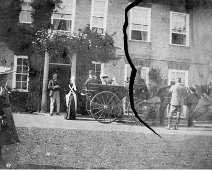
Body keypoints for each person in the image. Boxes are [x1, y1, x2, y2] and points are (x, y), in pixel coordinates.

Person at [0, 70, 19, 168]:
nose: (5, 79)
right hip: (2, 113)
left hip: (6, 112)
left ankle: (2, 158)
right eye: (4, 78)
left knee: (4, 137)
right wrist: (2, 115)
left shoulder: (3, 88)